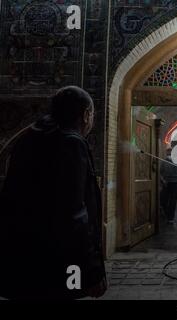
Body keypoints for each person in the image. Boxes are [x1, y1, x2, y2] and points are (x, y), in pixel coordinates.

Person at [0, 86, 107, 300]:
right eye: (92, 115)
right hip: (58, 258)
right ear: (86, 115)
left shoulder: (26, 138)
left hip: (19, 256)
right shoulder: (72, 143)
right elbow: (75, 214)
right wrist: (92, 271)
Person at [160, 147, 177, 224]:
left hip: (175, 183)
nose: (169, 153)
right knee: (164, 200)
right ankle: (167, 214)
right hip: (166, 183)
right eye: (168, 152)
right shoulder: (164, 161)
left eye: (170, 152)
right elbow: (160, 172)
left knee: (173, 201)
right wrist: (162, 180)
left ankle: (170, 218)